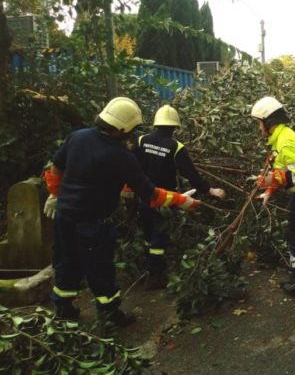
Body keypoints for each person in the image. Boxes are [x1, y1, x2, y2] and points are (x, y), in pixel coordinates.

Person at [43, 97, 199, 327]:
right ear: (124, 128)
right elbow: (151, 195)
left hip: (65, 216)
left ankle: (63, 308)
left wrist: (56, 193)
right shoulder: (120, 155)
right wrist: (181, 201)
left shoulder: (78, 137)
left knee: (66, 261)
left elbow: (56, 166)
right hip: (93, 223)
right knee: (100, 267)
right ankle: (110, 313)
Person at [132, 105, 225, 290]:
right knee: (159, 235)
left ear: (156, 123)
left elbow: (128, 165)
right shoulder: (176, 147)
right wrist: (210, 190)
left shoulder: (141, 140)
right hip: (164, 200)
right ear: (175, 127)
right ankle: (155, 274)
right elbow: (192, 175)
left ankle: (146, 265)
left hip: (141, 196)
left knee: (147, 232)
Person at [250, 96, 295, 299]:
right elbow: (283, 171)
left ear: (268, 121)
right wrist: (269, 191)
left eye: (259, 123)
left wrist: (269, 179)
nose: (258, 128)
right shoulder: (280, 138)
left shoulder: (286, 141)